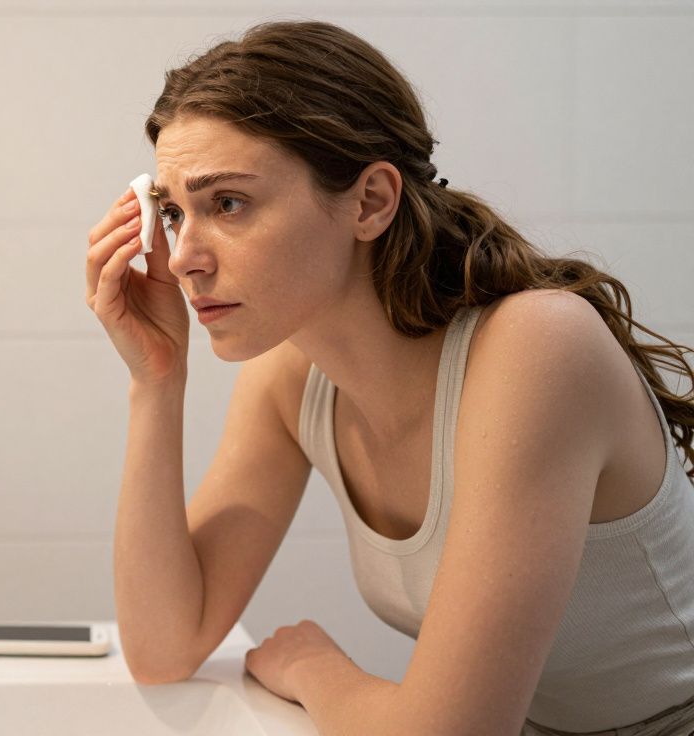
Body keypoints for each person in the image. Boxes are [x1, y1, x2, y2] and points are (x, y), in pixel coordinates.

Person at [85, 19, 694, 736]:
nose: (185, 255)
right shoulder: (292, 380)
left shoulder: (537, 348)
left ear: (371, 200)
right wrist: (156, 382)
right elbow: (164, 646)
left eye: (228, 203)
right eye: (172, 211)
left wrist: (316, 668)